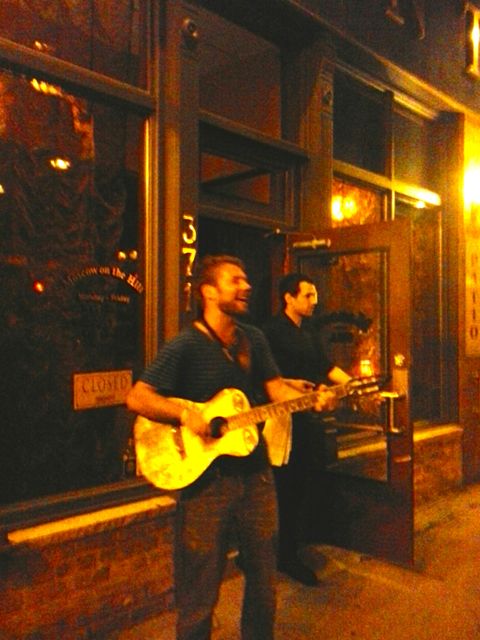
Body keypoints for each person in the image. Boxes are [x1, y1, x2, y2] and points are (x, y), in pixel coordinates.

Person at [127, 256, 332, 640]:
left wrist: (318, 397)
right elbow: (138, 397)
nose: (246, 286)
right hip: (206, 484)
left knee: (263, 580)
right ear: (208, 291)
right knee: (200, 587)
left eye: (246, 279)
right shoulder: (185, 344)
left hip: (257, 476)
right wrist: (186, 416)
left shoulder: (253, 339)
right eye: (235, 280)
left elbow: (275, 391)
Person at [263, 273, 351, 587]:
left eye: (315, 296)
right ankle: (282, 555)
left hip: (308, 419)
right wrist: (289, 386)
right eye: (308, 296)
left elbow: (325, 366)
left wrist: (354, 384)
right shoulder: (270, 332)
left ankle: (290, 548)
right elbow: (264, 376)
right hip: (281, 421)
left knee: (301, 486)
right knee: (282, 489)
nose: (314, 302)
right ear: (288, 297)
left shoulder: (310, 331)